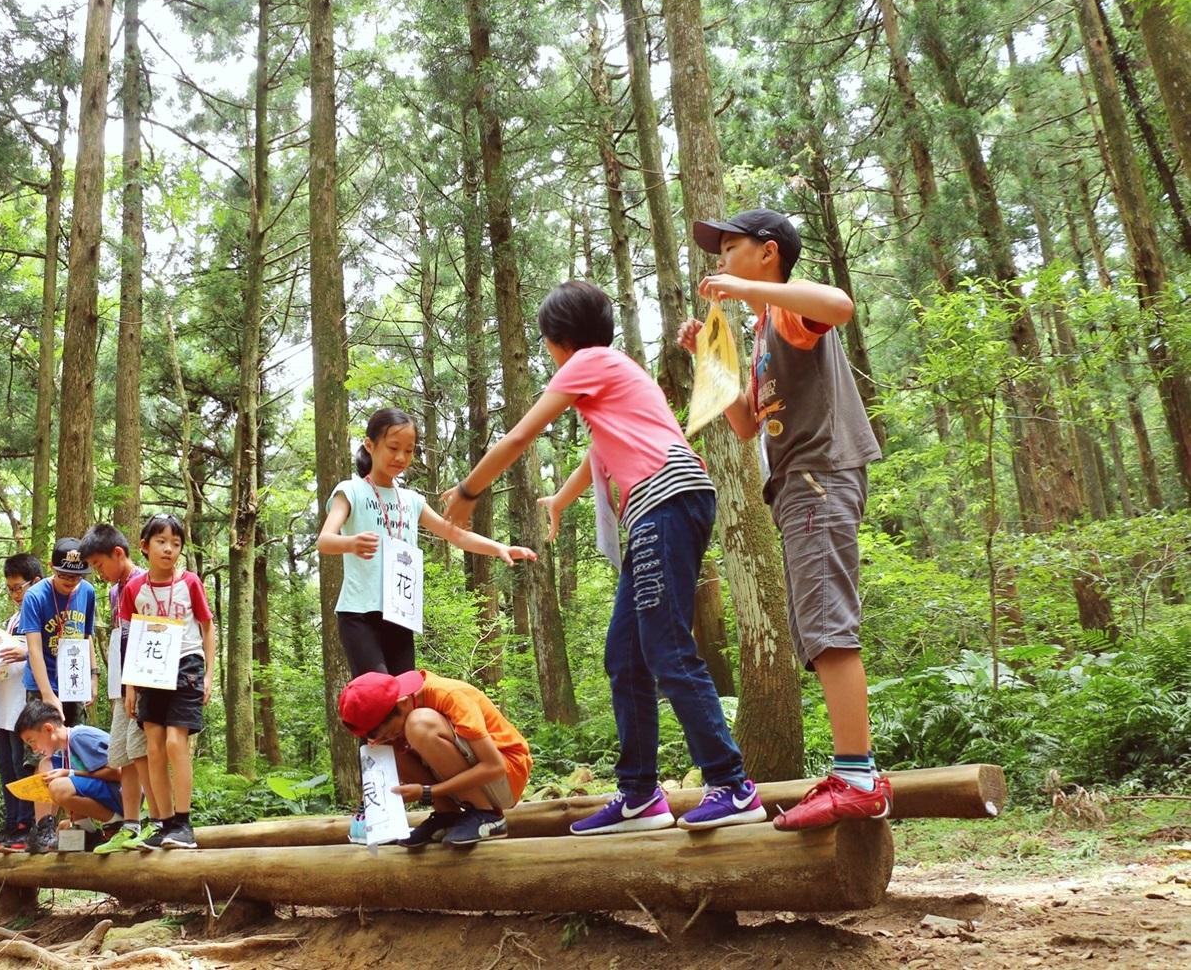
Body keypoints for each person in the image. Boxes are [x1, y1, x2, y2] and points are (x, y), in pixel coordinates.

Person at [442, 280, 765, 834]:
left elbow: (520, 436)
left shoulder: (588, 363)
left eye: (546, 344)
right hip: (659, 507)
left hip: (666, 502)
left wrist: (468, 495)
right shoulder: (615, 374)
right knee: (626, 656)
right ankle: (641, 795)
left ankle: (732, 785)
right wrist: (561, 500)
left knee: (666, 648)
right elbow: (601, 453)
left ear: (558, 341)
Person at [681, 208, 888, 830]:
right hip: (795, 484)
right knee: (814, 627)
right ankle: (853, 771)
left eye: (730, 247)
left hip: (819, 475)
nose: (719, 257)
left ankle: (857, 778)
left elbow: (840, 304)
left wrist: (745, 293)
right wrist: (709, 360)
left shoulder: (789, 313)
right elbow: (747, 426)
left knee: (827, 625)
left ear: (767, 253)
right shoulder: (762, 336)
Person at [317, 407, 537, 843]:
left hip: (400, 615)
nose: (401, 457)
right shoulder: (351, 491)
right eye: (392, 448)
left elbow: (455, 534)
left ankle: (447, 806)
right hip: (360, 615)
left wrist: (500, 549)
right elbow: (325, 539)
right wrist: (350, 542)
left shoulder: (411, 500)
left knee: (413, 712)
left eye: (409, 451)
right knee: (374, 714)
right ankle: (376, 810)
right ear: (370, 445)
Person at [338, 669, 532, 848]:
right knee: (381, 745)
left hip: (506, 775)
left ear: (402, 702)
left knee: (418, 724)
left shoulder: (448, 694)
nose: (391, 738)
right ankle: (447, 814)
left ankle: (487, 815)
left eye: (391, 732)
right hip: (471, 781)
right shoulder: (404, 706)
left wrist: (427, 792)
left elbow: (494, 766)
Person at [116, 513, 213, 850]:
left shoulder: (190, 583)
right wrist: (130, 686)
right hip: (149, 670)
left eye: (175, 543)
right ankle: (164, 823)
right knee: (153, 745)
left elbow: (207, 625)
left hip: (186, 663)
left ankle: (184, 824)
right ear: (144, 547)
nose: (169, 549)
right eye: (161, 542)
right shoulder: (133, 589)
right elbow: (131, 634)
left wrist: (209, 674)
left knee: (175, 742)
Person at [80, 522, 161, 854]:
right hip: (121, 680)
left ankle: (159, 820)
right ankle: (131, 823)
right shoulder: (115, 591)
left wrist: (138, 684)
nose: (100, 574)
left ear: (118, 553)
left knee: (144, 751)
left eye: (100, 566)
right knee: (124, 753)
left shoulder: (145, 583)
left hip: (142, 679)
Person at [18, 538, 96, 852]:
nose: (70, 583)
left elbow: (87, 635)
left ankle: (80, 826)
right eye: (65, 576)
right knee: (43, 753)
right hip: (42, 683)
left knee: (73, 751)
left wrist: (93, 676)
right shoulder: (35, 596)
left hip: (73, 681)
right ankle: (43, 827)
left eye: (76, 577)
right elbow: (33, 649)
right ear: (52, 569)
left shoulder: (87, 594)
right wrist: (48, 695)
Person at [0, 553, 43, 854]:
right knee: (6, 766)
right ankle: (11, 821)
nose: (15, 595)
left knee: (22, 765)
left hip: (25, 702)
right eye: (10, 589)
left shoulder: (44, 611)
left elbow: (52, 652)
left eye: (19, 587)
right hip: (4, 699)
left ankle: (27, 824)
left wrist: (26, 653)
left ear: (36, 582)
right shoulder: (12, 619)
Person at [14, 699, 122, 833]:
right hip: (106, 791)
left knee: (58, 787)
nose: (34, 749)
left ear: (48, 729)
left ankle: (116, 822)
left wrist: (70, 773)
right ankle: (84, 829)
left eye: (32, 741)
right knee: (47, 765)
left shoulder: (78, 736)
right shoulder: (66, 749)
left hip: (121, 794)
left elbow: (119, 772)